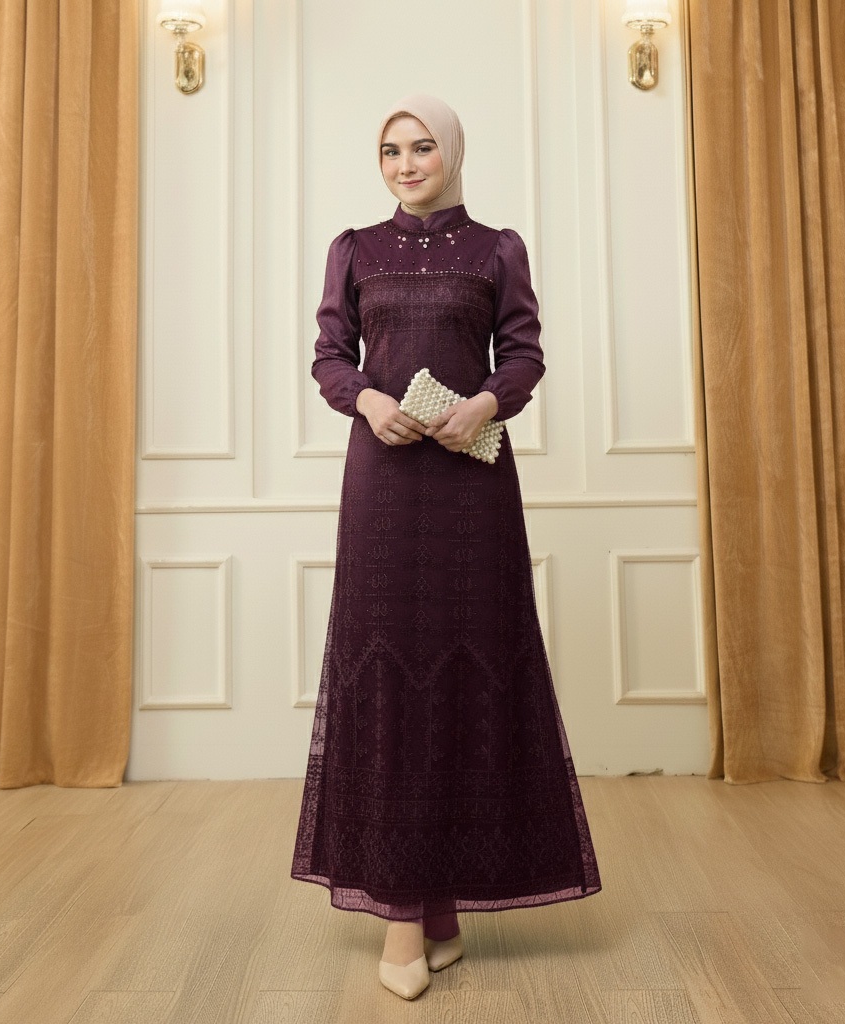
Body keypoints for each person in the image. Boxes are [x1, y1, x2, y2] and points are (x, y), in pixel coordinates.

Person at [290, 93, 602, 1001]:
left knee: (467, 670)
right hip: (383, 484)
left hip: (473, 482)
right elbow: (329, 354)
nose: (406, 164)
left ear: (452, 152)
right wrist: (367, 400)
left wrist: (487, 403)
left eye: (422, 147)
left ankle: (438, 906)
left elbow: (525, 354)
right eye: (391, 151)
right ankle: (404, 909)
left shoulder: (497, 248)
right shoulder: (354, 248)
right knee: (391, 673)